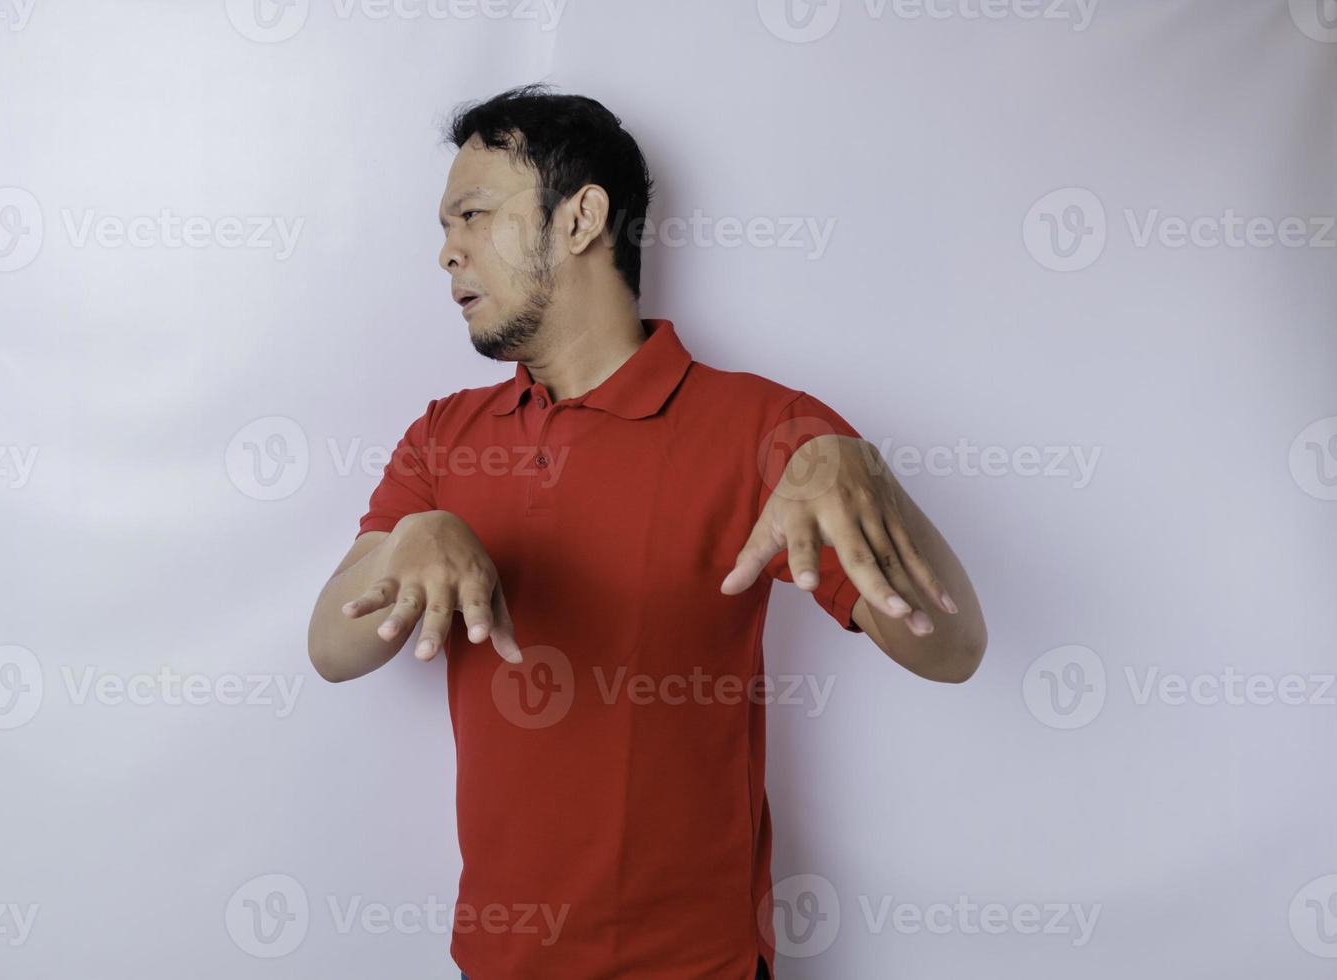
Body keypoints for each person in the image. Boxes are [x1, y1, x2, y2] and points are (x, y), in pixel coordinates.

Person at [306, 83, 987, 980]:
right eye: (444, 225)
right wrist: (412, 540)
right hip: (493, 961)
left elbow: (952, 648)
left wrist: (863, 469)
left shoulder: (763, 430)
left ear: (581, 216)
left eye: (472, 213)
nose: (447, 252)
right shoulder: (445, 435)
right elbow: (331, 646)